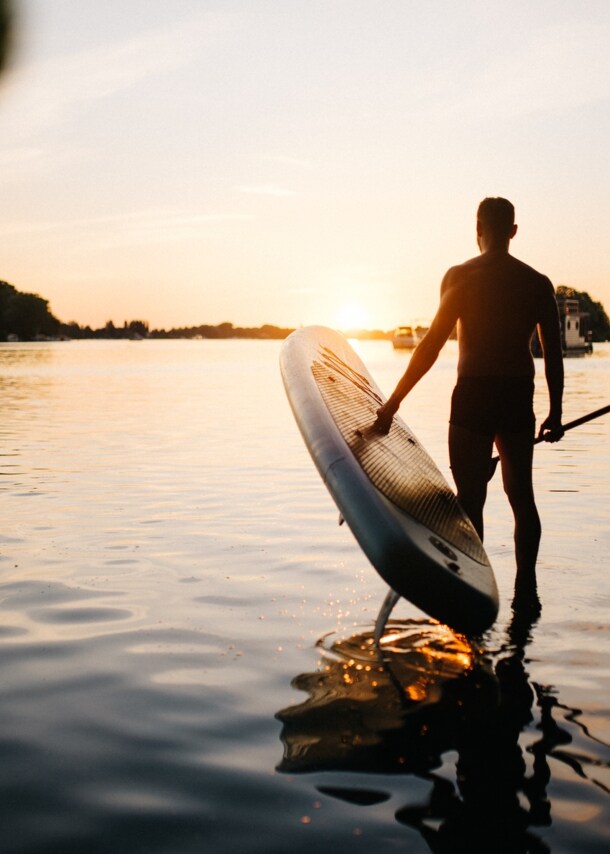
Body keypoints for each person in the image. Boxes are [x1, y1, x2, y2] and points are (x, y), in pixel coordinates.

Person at [374, 197, 564, 599]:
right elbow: (553, 356)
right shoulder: (537, 283)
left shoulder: (459, 276)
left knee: (470, 500)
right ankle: (526, 590)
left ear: (477, 228)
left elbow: (429, 347)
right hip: (516, 396)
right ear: (513, 231)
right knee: (522, 498)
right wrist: (556, 412)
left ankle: (470, 590)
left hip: (473, 395)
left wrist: (393, 404)